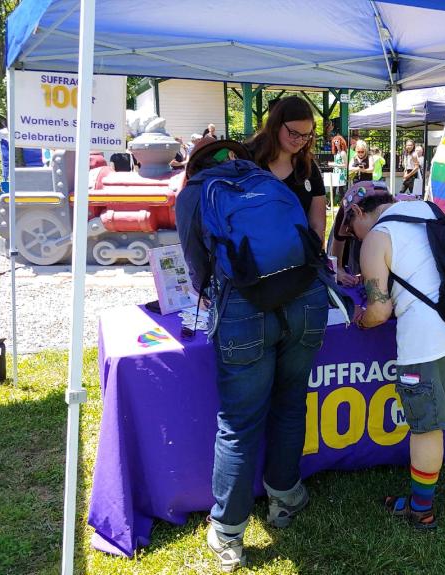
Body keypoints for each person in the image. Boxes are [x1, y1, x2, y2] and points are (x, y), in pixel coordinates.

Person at [175, 100, 329, 572]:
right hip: (304, 299)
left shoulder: (197, 193)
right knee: (290, 403)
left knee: (240, 423)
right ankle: (285, 497)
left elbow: (197, 269)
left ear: (195, 167)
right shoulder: (267, 182)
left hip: (244, 308)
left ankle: (227, 534)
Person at [342, 194, 445, 530]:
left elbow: (380, 311)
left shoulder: (376, 239)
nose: (354, 237)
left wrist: (360, 319)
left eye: (350, 228)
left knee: (426, 426)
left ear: (357, 212)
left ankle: (420, 508)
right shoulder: (430, 210)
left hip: (429, 341)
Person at [247, 96, 327, 242]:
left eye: (306, 135)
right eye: (294, 133)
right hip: (252, 258)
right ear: (276, 125)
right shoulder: (247, 159)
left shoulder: (308, 166)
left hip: (298, 258)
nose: (299, 140)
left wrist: (313, 251)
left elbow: (317, 224)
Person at [329, 180, 390, 287]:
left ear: (358, 212)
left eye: (352, 230)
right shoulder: (345, 215)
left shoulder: (389, 227)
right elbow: (335, 260)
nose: (358, 238)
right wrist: (340, 272)